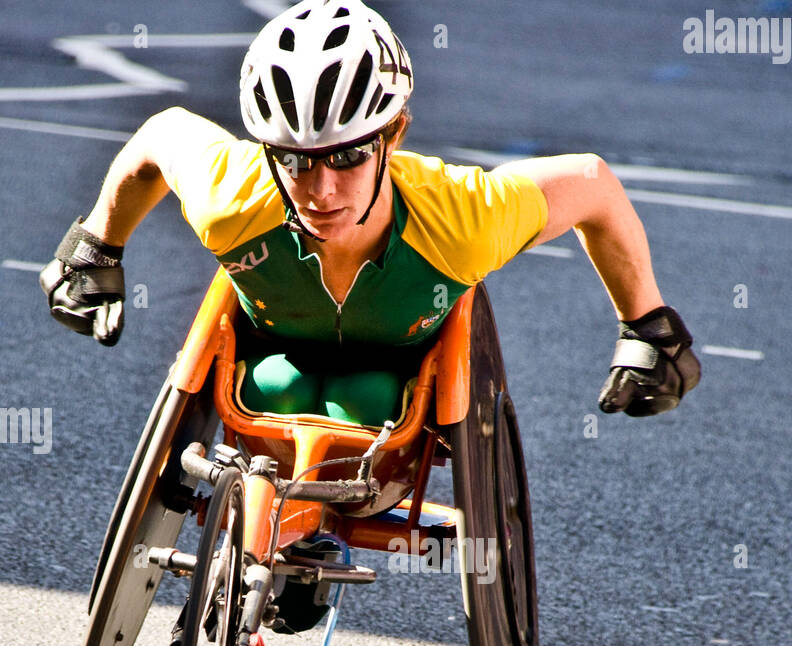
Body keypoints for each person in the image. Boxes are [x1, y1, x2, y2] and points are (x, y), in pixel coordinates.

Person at [40, 0, 700, 426]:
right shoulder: (232, 192)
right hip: (274, 358)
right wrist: (95, 248)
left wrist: (649, 328)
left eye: (348, 157)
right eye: (293, 159)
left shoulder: (465, 217)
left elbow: (592, 183)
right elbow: (159, 135)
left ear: (394, 135)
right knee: (279, 390)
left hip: (400, 379)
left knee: (363, 401)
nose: (320, 189)